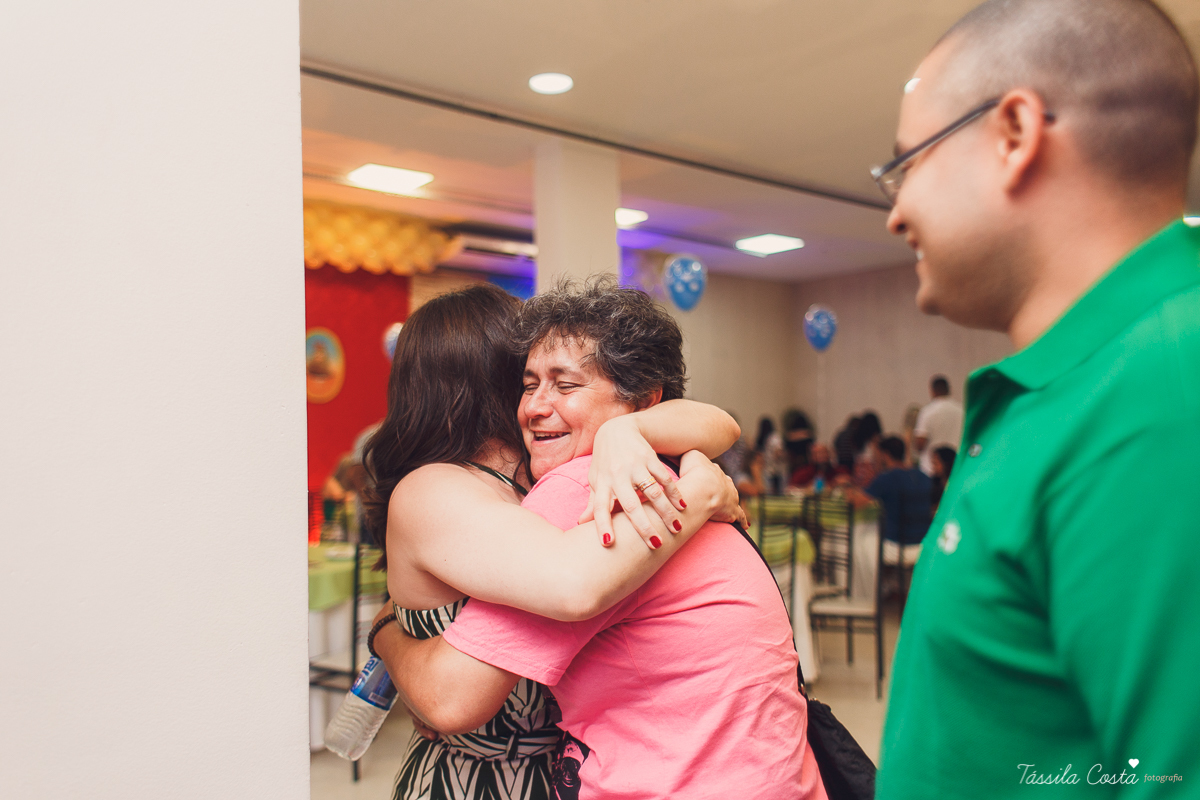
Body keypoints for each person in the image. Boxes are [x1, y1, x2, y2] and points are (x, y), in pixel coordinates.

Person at [871, 0, 1200, 795]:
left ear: (1013, 134)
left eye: (906, 164)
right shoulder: (1083, 379)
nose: (893, 214)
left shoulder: (1165, 385)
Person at [374, 281, 826, 800]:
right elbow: (456, 695)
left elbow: (717, 423)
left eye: (564, 385)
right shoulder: (636, 474)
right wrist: (694, 488)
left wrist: (632, 436)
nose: (536, 405)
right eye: (526, 382)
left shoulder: (589, 484)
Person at [912, 375, 963, 475]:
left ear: (932, 391)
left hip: (931, 469)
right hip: (955, 467)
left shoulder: (927, 411)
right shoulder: (961, 410)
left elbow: (920, 444)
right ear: (949, 390)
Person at [755, 416, 787, 495]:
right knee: (780, 493)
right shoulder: (775, 437)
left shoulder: (762, 439)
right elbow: (778, 452)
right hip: (777, 469)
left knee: (769, 493)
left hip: (767, 469)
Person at [929, 445, 956, 510]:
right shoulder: (933, 484)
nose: (933, 467)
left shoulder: (956, 484)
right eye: (933, 463)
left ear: (946, 463)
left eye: (936, 463)